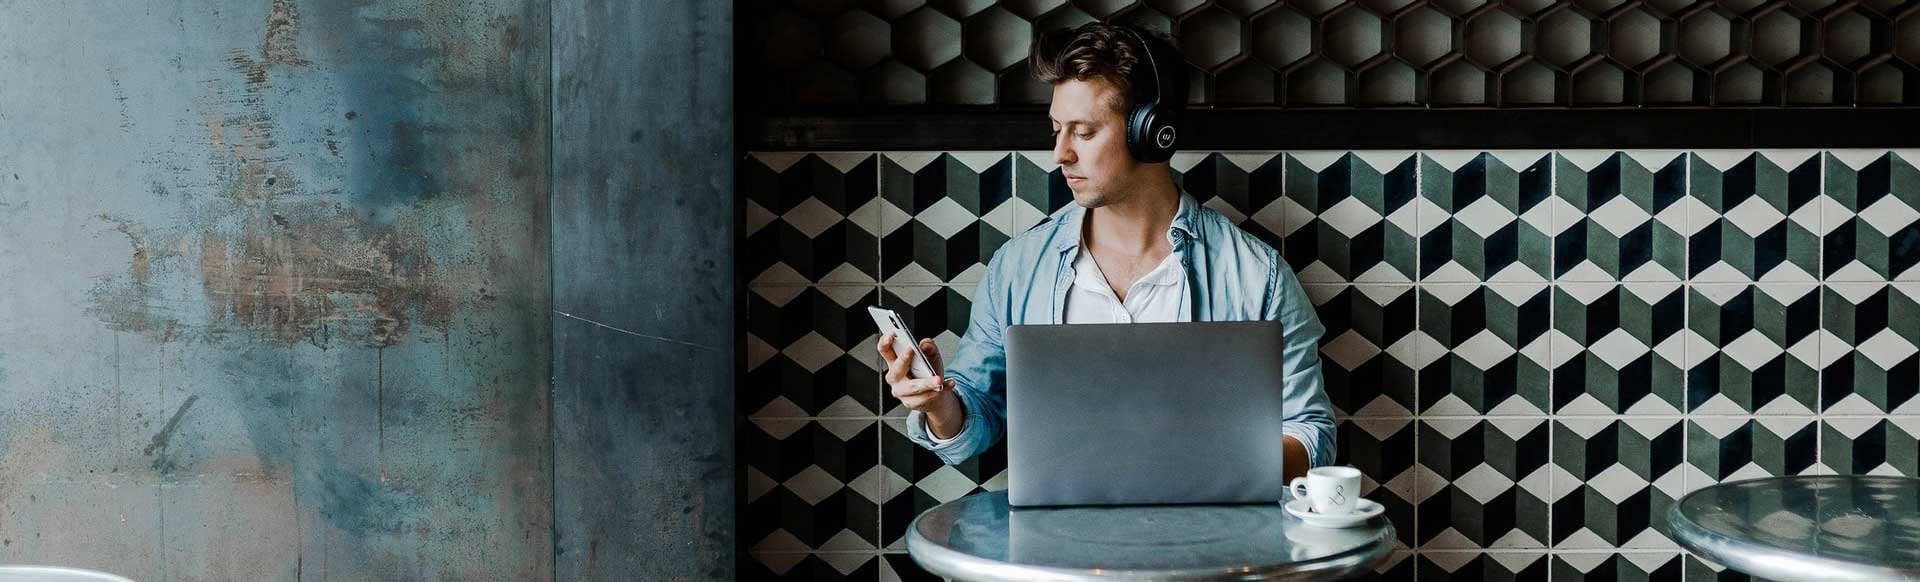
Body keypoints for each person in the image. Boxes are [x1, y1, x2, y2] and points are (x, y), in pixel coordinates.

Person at [876, 22, 1335, 482]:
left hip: (1207, 546)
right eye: (1057, 129)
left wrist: (1202, 466)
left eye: (1085, 132)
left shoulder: (1258, 275)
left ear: (1151, 133)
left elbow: (1310, 434)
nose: (1061, 153)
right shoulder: (1017, 269)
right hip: (1055, 548)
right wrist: (939, 403)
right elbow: (977, 423)